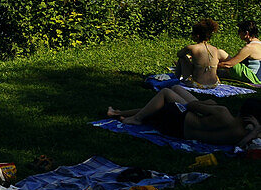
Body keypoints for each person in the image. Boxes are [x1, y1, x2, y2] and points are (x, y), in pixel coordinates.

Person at [107, 86, 261, 146]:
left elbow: (192, 106)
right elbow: (240, 147)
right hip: (179, 132)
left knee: (166, 93)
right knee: (176, 89)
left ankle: (136, 119)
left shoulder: (223, 113)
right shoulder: (245, 136)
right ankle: (117, 113)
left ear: (242, 112)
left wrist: (209, 104)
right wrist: (255, 130)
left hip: (177, 120)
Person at [175, 19, 227, 88]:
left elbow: (179, 54)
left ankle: (175, 79)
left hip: (198, 84)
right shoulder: (215, 49)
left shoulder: (192, 48)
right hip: (214, 84)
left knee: (182, 58)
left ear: (197, 36)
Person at [218, 20, 261, 86]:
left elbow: (229, 64)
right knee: (219, 73)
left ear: (246, 33)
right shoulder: (258, 44)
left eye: (239, 31)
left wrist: (212, 66)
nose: (238, 34)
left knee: (220, 53)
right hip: (258, 77)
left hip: (251, 76)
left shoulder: (249, 48)